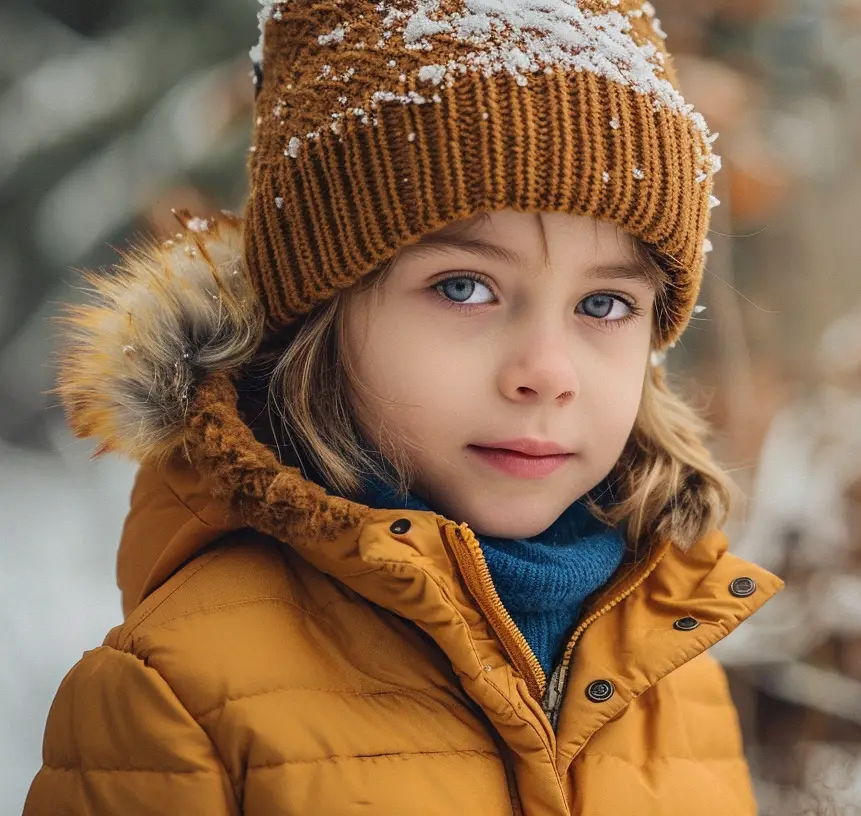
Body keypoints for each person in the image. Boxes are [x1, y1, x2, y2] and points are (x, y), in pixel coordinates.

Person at [25, 2, 781, 813]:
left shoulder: (679, 679)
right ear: (322, 311)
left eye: (603, 306)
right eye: (465, 288)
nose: (546, 373)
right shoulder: (181, 696)